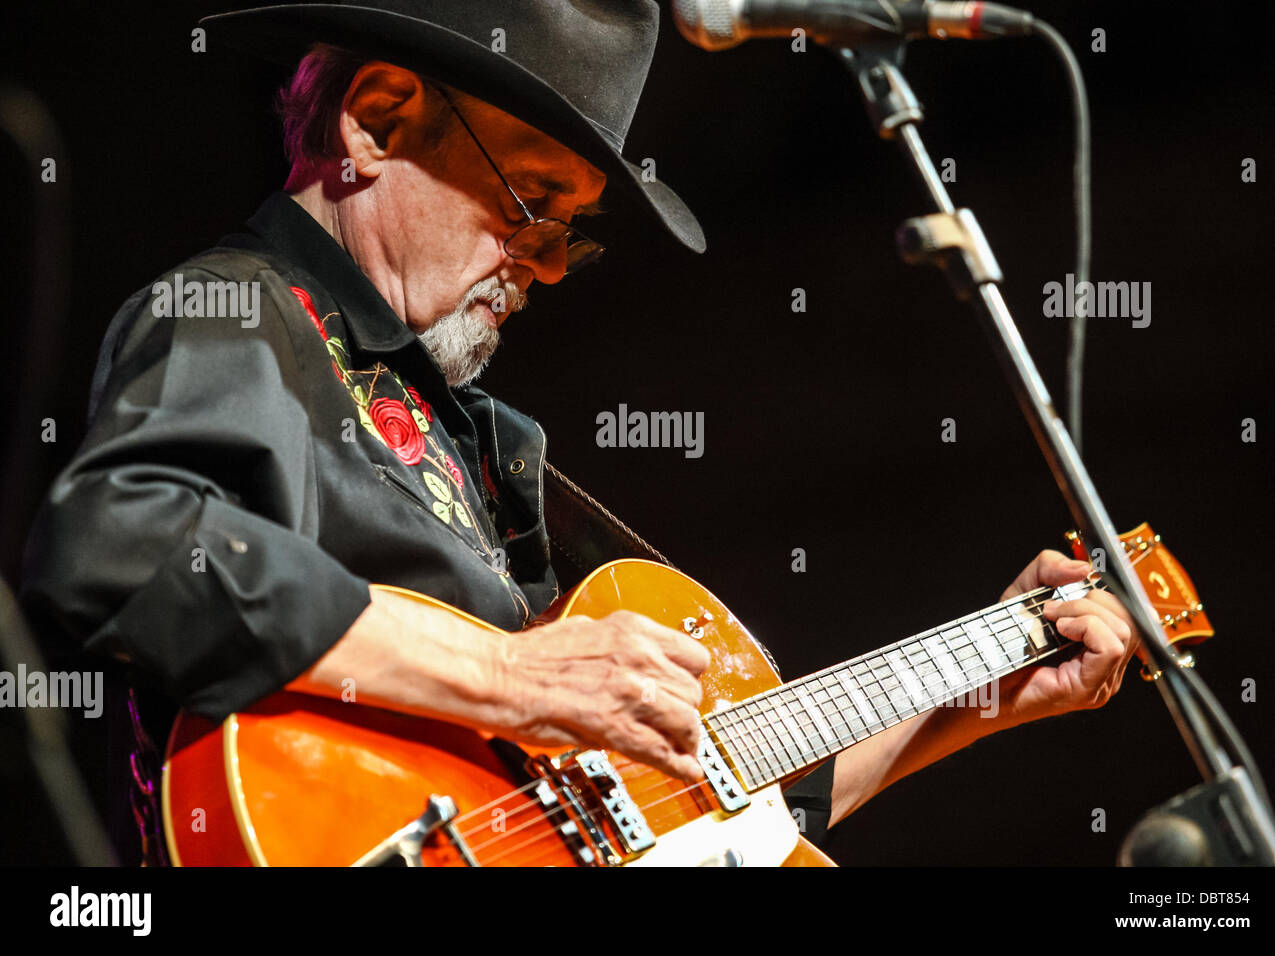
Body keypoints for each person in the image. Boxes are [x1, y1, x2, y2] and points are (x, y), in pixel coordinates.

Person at [20, 0, 1138, 865]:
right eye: (531, 203)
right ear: (376, 119)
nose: (548, 264)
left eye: (571, 233)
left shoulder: (482, 439)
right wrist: (506, 674)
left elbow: (699, 797)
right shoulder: (246, 311)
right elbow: (122, 541)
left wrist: (979, 685)